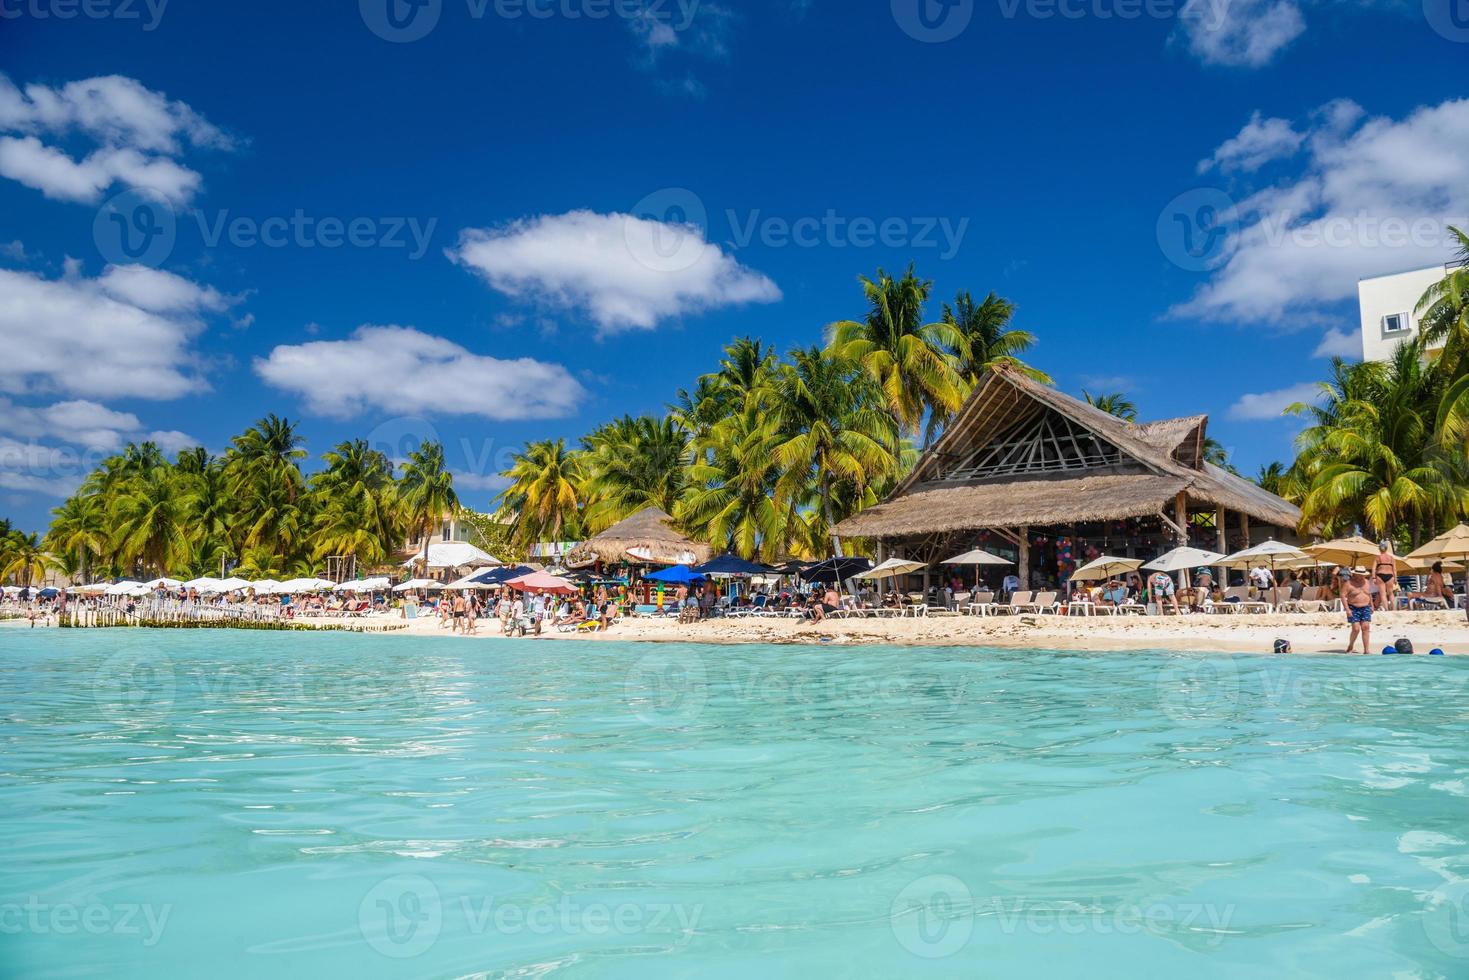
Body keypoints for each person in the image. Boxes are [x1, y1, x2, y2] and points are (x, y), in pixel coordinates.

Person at [1343, 566, 1375, 654]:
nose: (1361, 576)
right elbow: (1342, 596)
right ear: (1355, 574)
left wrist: (1372, 605)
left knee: (1366, 627)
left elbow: (1369, 594)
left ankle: (1366, 650)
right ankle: (1351, 645)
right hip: (1353, 607)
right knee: (1356, 629)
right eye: (1359, 575)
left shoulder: (1367, 582)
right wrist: (1347, 609)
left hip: (1365, 607)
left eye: (1363, 575)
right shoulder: (1348, 583)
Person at [1374, 541, 1399, 610]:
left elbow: (1373, 569)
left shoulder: (1378, 557)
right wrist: (1396, 579)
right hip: (1390, 575)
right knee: (1391, 594)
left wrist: (1373, 578)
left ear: (1379, 548)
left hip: (1380, 575)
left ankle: (1387, 610)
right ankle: (1394, 609)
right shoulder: (1391, 558)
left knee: (1383, 594)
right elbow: (1394, 570)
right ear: (1386, 548)